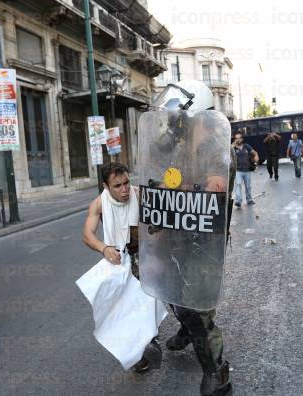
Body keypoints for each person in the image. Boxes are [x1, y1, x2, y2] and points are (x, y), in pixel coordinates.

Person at [141, 80, 233, 395]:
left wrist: (173, 192)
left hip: (202, 241)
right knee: (172, 290)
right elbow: (159, 176)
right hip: (176, 235)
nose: (171, 122)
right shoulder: (178, 146)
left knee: (198, 307)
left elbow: (216, 188)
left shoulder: (213, 147)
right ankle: (186, 327)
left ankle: (217, 371)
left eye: (177, 116)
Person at [82, 162, 161, 372]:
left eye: (126, 183)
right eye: (117, 186)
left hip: (143, 255)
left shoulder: (139, 194)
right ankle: (141, 348)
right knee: (124, 308)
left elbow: (161, 219)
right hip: (117, 258)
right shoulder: (98, 204)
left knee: (149, 300)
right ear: (106, 187)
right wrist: (103, 248)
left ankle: (151, 339)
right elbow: (87, 235)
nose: (124, 189)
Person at [232, 131, 258, 207]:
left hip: (247, 170)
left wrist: (256, 159)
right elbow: (226, 155)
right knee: (238, 185)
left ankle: (249, 199)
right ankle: (238, 201)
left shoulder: (246, 146)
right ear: (234, 139)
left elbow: (255, 153)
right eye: (236, 138)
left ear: (242, 139)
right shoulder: (233, 148)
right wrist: (231, 147)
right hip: (238, 170)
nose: (238, 140)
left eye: (239, 138)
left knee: (248, 186)